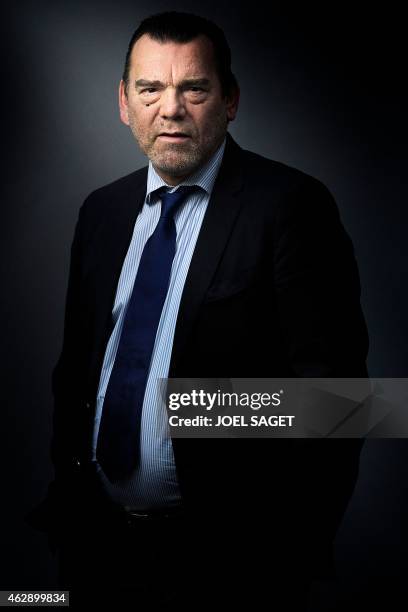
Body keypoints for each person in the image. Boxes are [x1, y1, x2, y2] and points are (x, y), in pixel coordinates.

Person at [25, 10, 369, 609]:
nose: (171, 108)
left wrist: (282, 556)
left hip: (231, 564)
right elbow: (76, 372)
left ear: (229, 100)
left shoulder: (291, 206)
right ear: (124, 103)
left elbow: (339, 402)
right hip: (98, 548)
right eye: (150, 89)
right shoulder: (100, 213)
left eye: (194, 88)